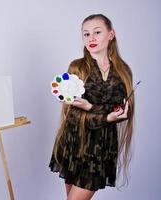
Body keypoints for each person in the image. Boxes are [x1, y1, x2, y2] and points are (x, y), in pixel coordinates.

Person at [49, 14, 135, 200]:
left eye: (97, 32)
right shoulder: (77, 68)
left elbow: (123, 111)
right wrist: (105, 116)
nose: (91, 38)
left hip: (100, 149)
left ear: (111, 34)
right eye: (86, 34)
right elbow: (72, 116)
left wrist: (89, 107)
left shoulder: (123, 71)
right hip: (73, 143)